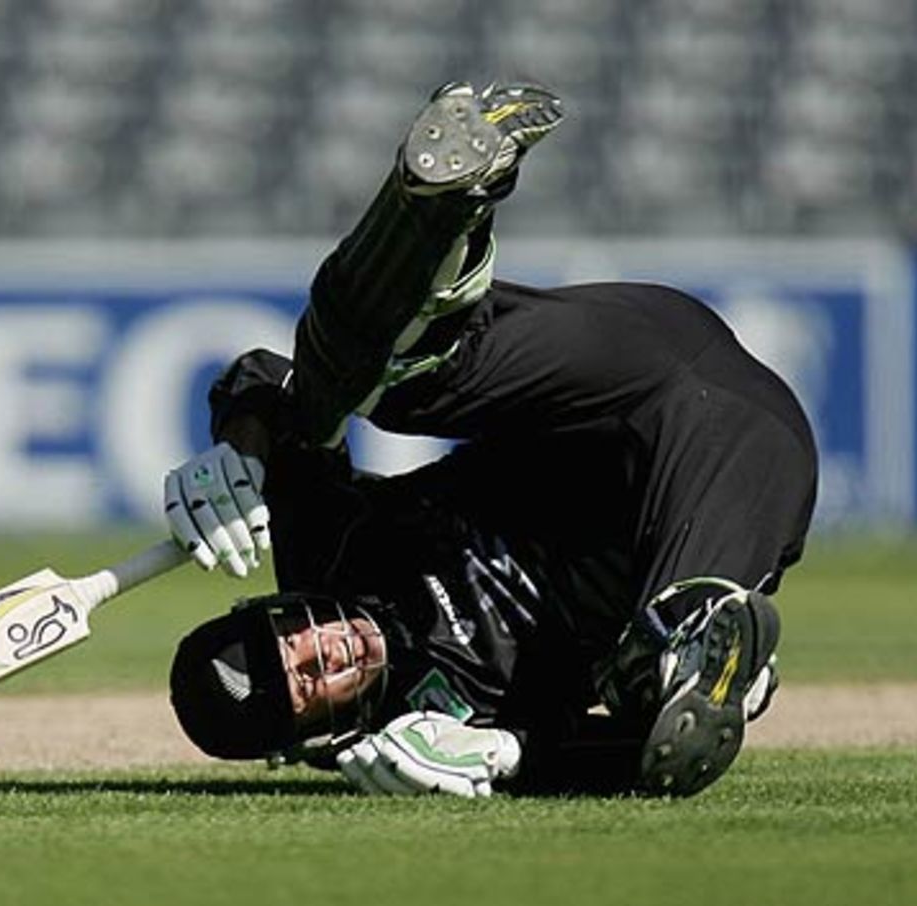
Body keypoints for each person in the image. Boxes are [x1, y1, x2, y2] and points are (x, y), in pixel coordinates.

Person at [161, 80, 818, 798]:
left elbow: (266, 376)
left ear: (281, 608)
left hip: (610, 377)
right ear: (315, 735)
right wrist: (507, 755)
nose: (325, 651)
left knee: (356, 382)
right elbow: (654, 761)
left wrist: (240, 446)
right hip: (721, 472)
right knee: (662, 682)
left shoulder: (330, 554)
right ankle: (709, 644)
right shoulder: (428, 732)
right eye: (310, 684)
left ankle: (444, 201)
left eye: (295, 638)